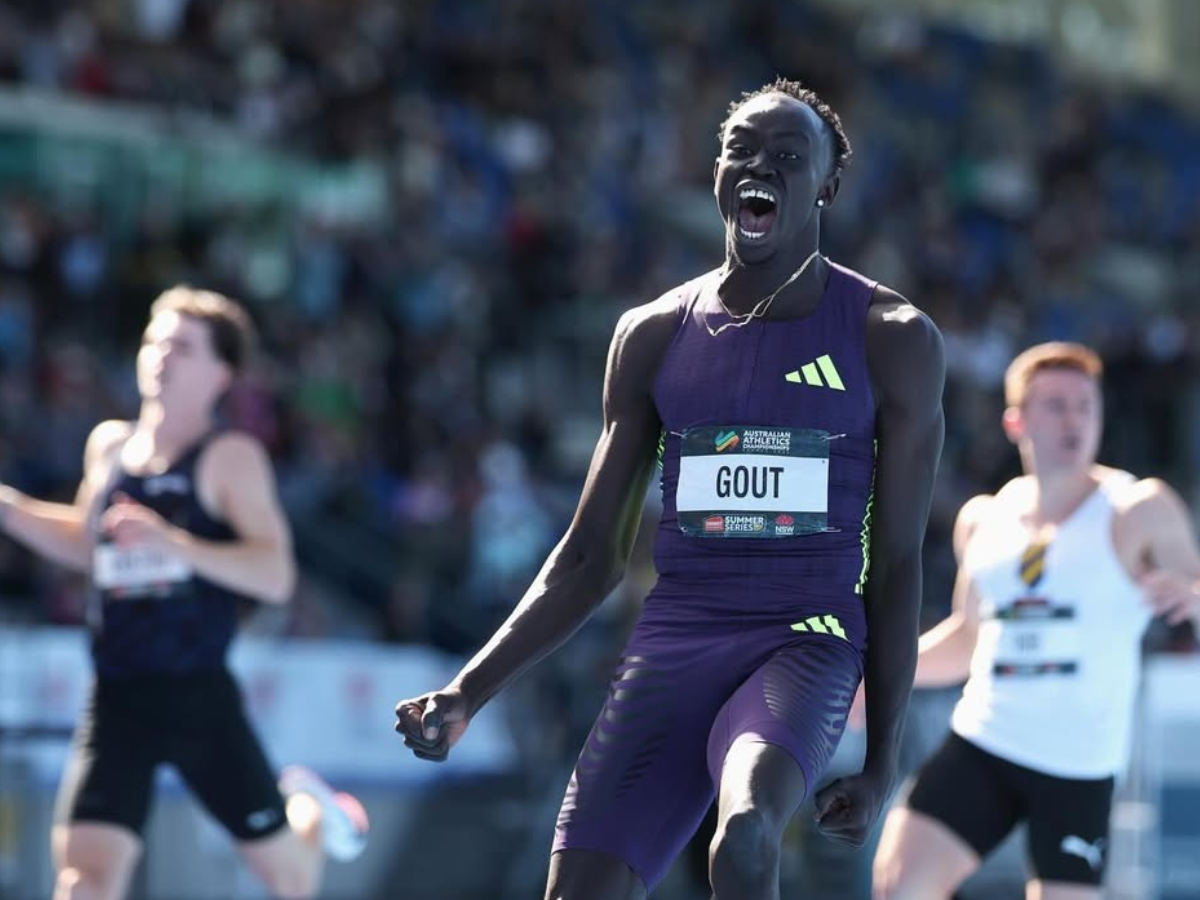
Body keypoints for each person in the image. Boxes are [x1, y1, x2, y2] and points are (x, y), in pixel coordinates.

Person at [394, 76, 945, 900]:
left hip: (806, 639)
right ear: (716, 171)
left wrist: (882, 764)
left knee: (746, 833)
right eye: (741, 149)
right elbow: (590, 557)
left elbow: (898, 562)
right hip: (675, 645)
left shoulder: (892, 338)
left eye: (788, 155)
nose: (760, 165)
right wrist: (467, 690)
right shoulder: (652, 335)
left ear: (827, 185)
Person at [0, 286, 368, 900]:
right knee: (84, 883)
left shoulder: (229, 458)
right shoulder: (110, 446)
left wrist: (173, 543)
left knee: (291, 881)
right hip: (117, 696)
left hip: (198, 698)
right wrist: (9, 509)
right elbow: (91, 546)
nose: (162, 356)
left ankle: (306, 809)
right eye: (155, 342)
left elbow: (275, 575)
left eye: (183, 347)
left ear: (222, 373)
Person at [871, 341, 1200, 900]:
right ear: (1016, 422)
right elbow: (968, 640)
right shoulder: (983, 519)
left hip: (1078, 766)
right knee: (899, 884)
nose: (1075, 419)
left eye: (1086, 406)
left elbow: (1193, 590)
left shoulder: (1138, 510)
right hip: (986, 741)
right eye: (1056, 405)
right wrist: (873, 679)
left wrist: (1193, 599)